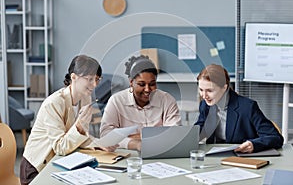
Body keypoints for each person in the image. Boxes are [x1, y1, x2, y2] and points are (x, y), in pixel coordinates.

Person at [20, 55, 118, 185]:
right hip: (37, 168)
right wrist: (79, 126)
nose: (94, 85)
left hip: (60, 162)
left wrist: (99, 144)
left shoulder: (85, 98)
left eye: (97, 79)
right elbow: (61, 147)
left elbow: (80, 138)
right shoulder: (54, 103)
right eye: (89, 79)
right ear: (73, 77)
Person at [194, 64, 283, 153]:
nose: (204, 96)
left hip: (242, 157)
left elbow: (276, 138)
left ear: (224, 88)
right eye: (201, 90)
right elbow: (199, 130)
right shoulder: (205, 105)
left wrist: (253, 144)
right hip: (215, 157)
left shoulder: (247, 107)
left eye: (209, 91)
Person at [100, 55, 182, 151]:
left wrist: (139, 136)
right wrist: (135, 144)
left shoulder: (167, 100)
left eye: (152, 84)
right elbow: (106, 135)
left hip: (159, 152)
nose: (147, 89)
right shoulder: (116, 101)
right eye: (141, 84)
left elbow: (174, 134)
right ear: (131, 82)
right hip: (127, 155)